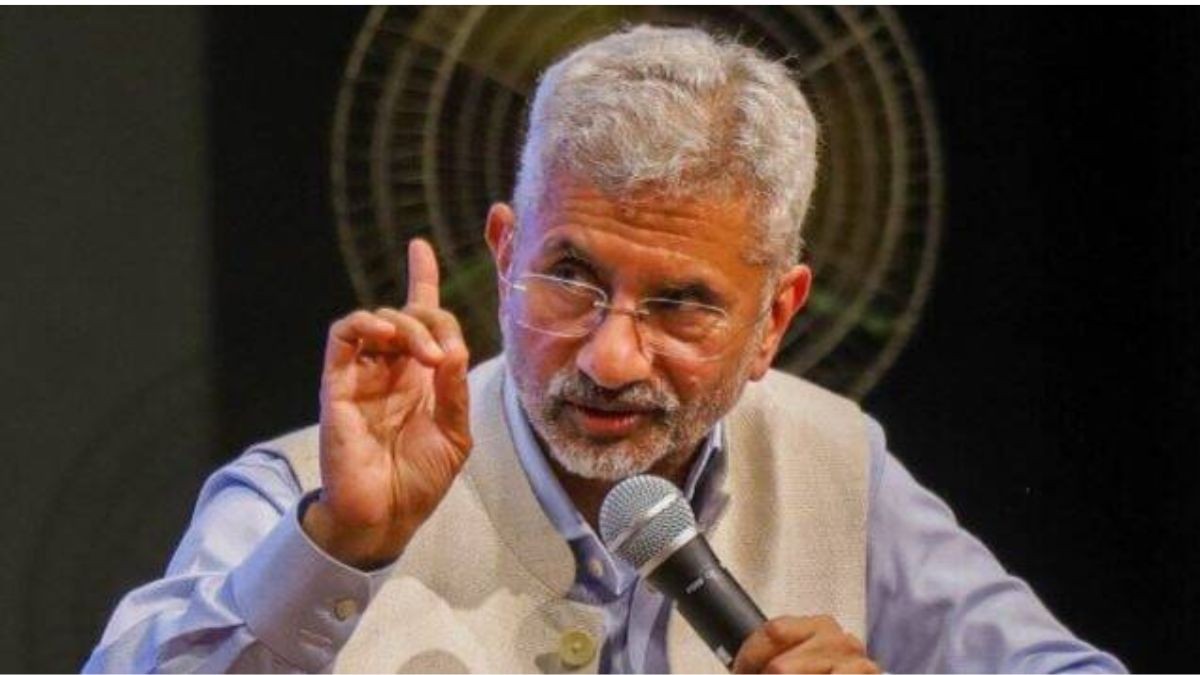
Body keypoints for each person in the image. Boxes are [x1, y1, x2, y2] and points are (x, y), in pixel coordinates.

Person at [85, 26, 1125, 674]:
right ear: (504, 253)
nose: (612, 358)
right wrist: (338, 549)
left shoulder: (835, 464)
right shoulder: (306, 494)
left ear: (776, 317)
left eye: (681, 306)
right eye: (571, 279)